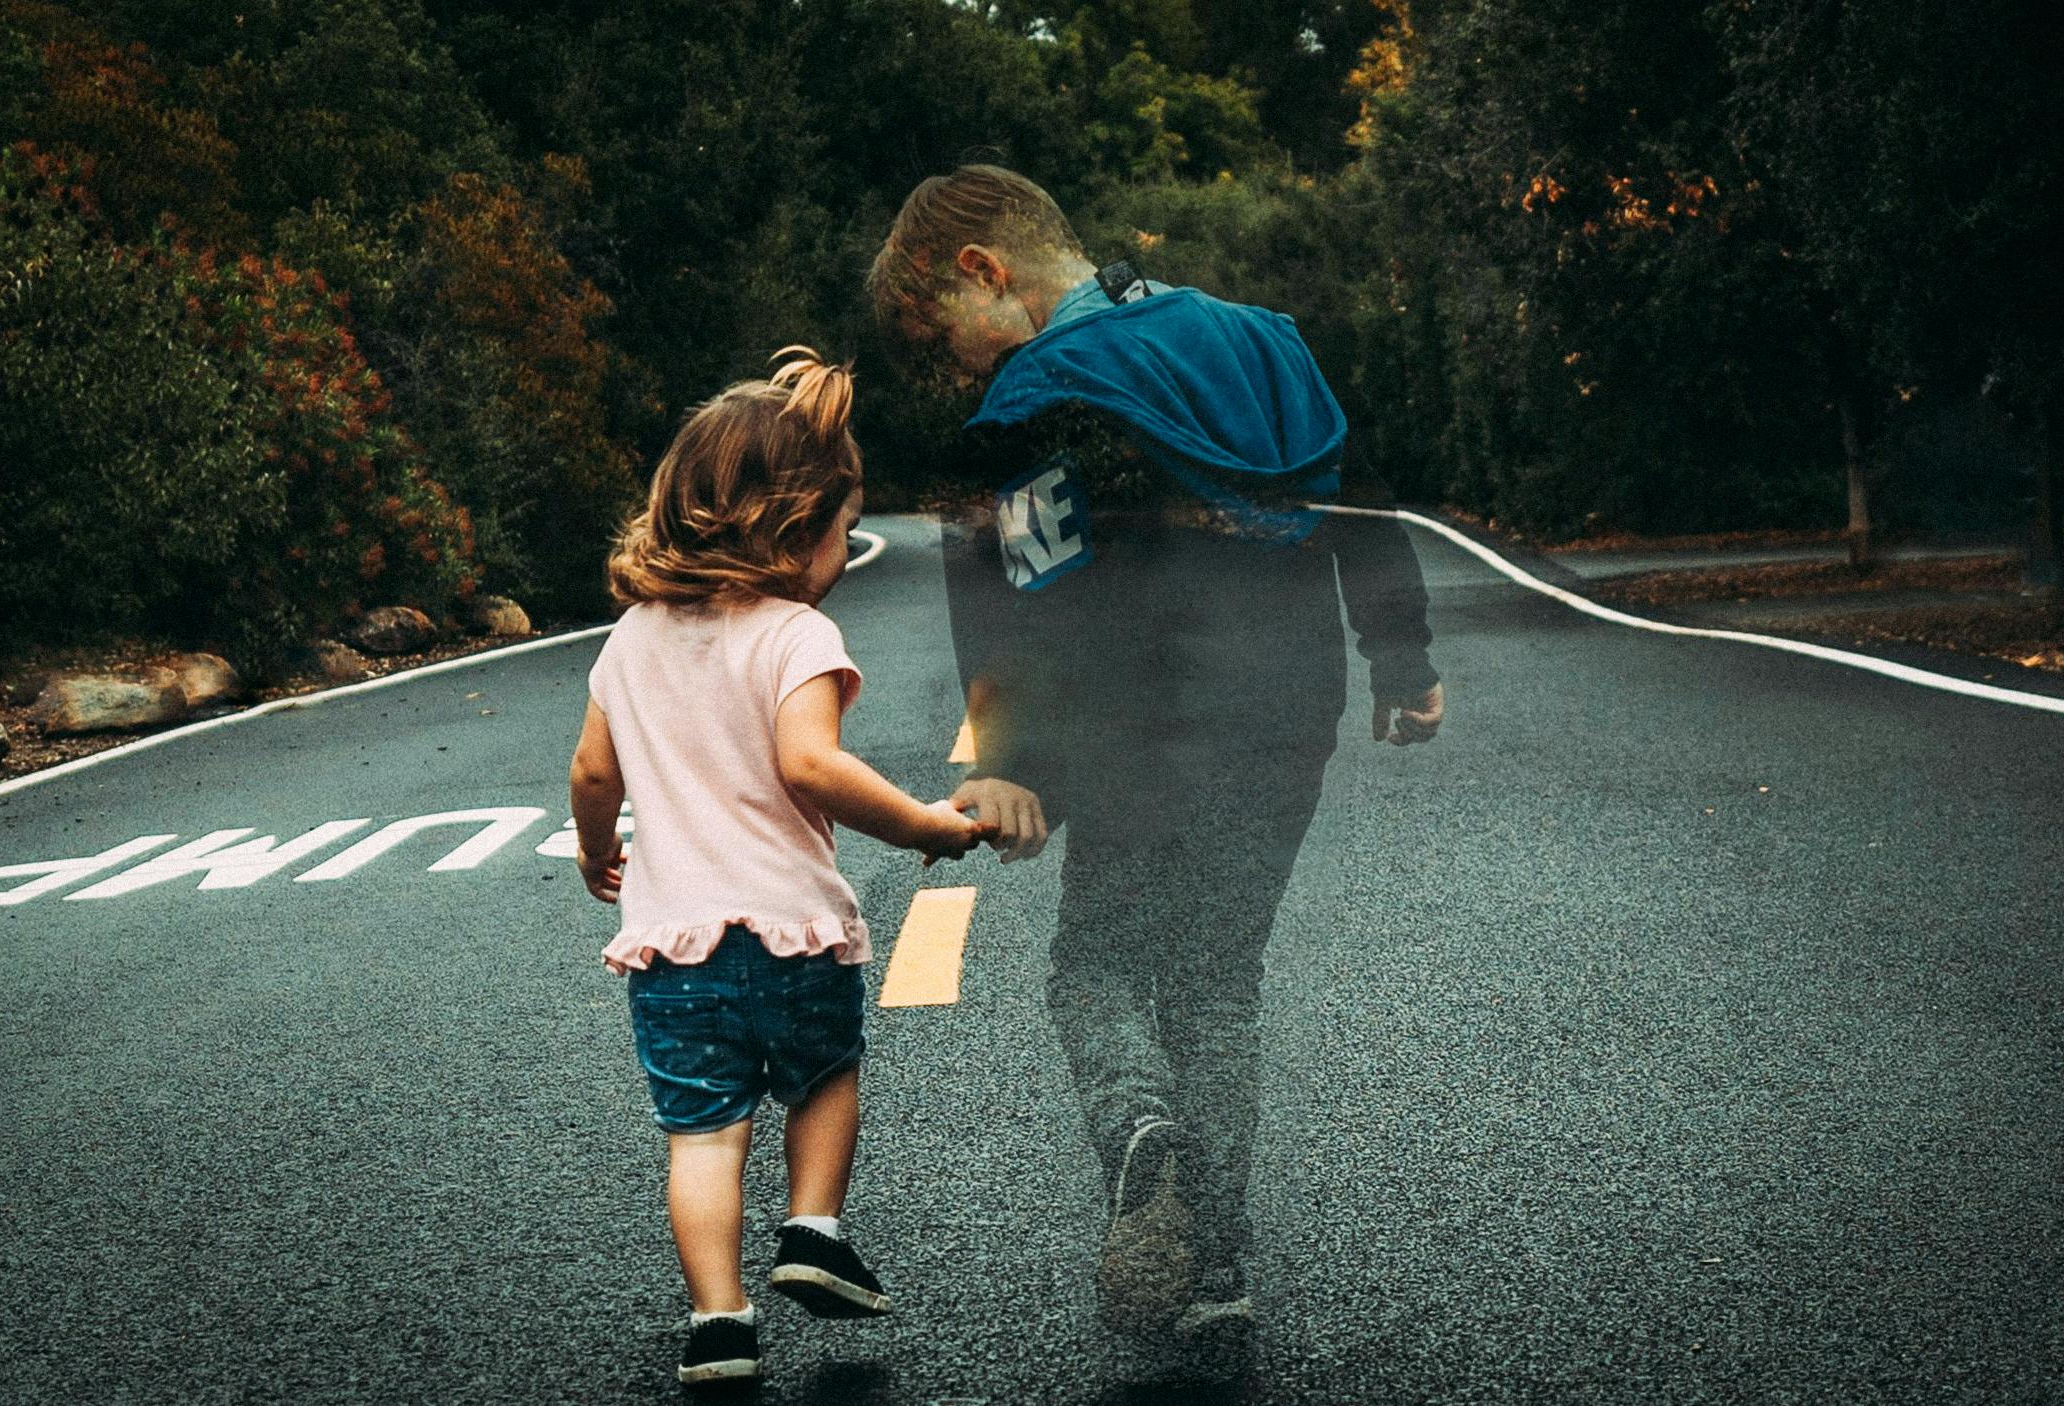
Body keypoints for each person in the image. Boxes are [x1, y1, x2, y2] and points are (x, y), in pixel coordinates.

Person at [868, 166, 1445, 1344]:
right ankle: (1216, 1273)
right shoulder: (1260, 341)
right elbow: (1362, 499)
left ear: (983, 270)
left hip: (1136, 728)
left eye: (943, 336)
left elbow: (1021, 589)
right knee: (1220, 978)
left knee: (1100, 965)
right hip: (1289, 710)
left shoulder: (1037, 394)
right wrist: (1402, 656)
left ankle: (1141, 1134)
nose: (958, 366)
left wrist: (1011, 757)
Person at [568, 347, 995, 1388]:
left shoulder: (629, 639)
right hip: (793, 930)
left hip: (672, 947)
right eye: (845, 534)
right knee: (824, 1071)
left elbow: (590, 770)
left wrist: (597, 850)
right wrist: (925, 827)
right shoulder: (796, 632)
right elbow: (811, 762)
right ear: (795, 528)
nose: (848, 555)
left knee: (704, 1133)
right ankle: (812, 1224)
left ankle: (718, 1316)